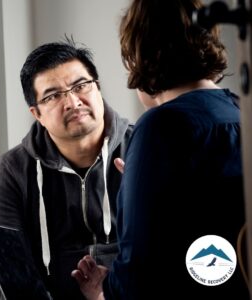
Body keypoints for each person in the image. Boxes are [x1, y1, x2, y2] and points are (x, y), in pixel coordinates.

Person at [71, 0, 250, 299]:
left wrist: (104, 291)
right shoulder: (241, 111)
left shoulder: (161, 127)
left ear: (139, 56)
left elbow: (141, 276)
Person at [0, 37, 133, 300]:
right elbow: (8, 273)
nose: (72, 102)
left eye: (81, 86)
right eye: (53, 96)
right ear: (36, 113)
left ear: (97, 88)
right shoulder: (12, 172)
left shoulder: (141, 149)